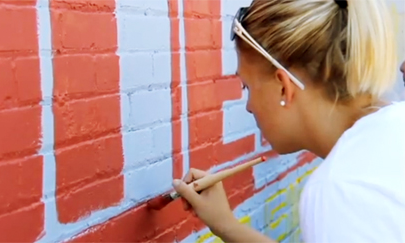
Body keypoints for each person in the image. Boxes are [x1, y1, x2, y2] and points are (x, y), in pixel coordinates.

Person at [172, 0, 405, 242]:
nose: (249, 107)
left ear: (284, 87)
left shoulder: (340, 191)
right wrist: (226, 224)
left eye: (247, 87)